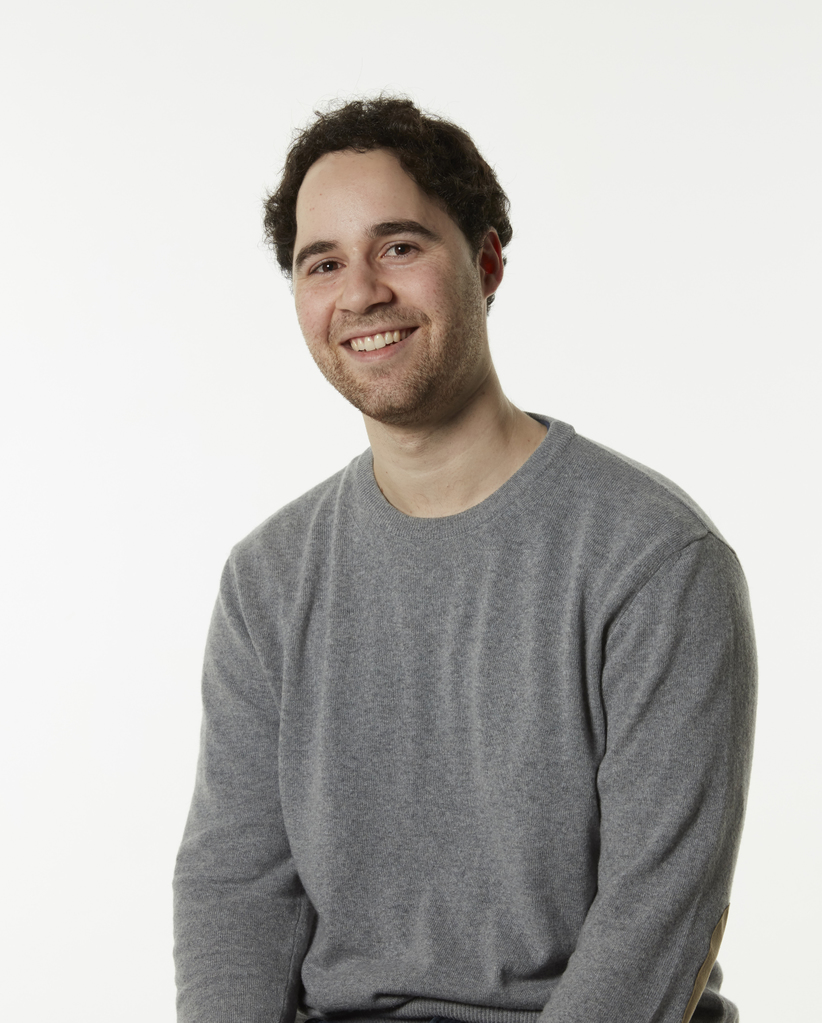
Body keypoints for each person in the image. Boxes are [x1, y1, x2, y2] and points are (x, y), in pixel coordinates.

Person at [173, 97, 757, 1023]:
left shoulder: (655, 558)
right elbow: (235, 891)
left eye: (399, 246)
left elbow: (659, 917)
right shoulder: (268, 579)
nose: (361, 292)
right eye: (323, 263)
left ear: (486, 264)